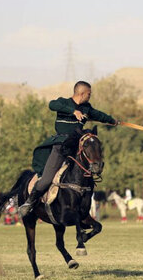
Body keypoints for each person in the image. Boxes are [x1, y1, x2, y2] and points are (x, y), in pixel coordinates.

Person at [18, 81, 117, 217]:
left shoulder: (86, 108)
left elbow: (99, 115)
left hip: (77, 148)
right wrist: (73, 111)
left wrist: (112, 120)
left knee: (88, 174)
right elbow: (52, 105)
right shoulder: (63, 103)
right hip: (61, 147)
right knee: (46, 179)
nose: (90, 96)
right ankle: (29, 202)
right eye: (89, 94)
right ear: (82, 93)